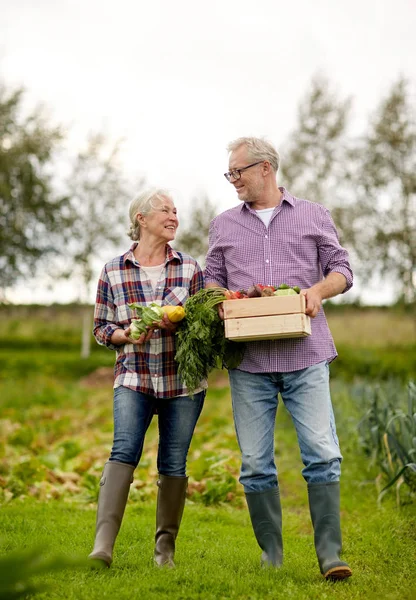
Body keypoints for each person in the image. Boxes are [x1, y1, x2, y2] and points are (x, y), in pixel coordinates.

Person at [204, 137, 353, 581]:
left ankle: (330, 555)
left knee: (322, 454)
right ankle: (272, 556)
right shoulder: (224, 225)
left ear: (265, 168)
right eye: (229, 173)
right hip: (249, 362)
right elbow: (212, 277)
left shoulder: (312, 214)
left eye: (238, 171)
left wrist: (317, 292)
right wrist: (220, 300)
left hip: (306, 355)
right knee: (254, 463)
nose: (233, 180)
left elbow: (342, 270)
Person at [89, 188, 205, 568]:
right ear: (141, 218)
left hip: (182, 381)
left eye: (176, 211)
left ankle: (164, 553)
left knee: (173, 462)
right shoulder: (113, 269)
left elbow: (203, 326)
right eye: (166, 211)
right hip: (133, 376)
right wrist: (126, 334)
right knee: (123, 451)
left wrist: (183, 323)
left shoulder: (189, 269)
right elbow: (101, 328)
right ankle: (102, 547)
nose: (174, 216)